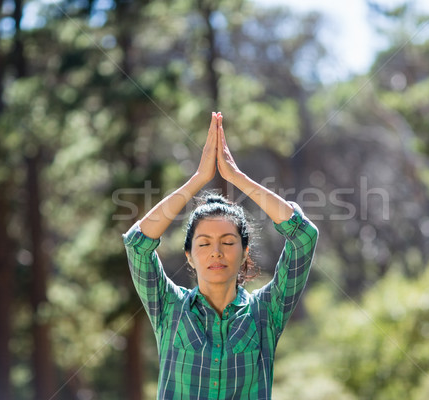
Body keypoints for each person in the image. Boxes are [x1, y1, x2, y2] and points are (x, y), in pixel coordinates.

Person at [123, 112, 319, 399]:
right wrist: (199, 178)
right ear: (189, 256)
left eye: (228, 242)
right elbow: (137, 245)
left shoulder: (265, 313)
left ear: (244, 253)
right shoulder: (169, 308)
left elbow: (304, 237)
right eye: (203, 244)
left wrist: (236, 178)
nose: (216, 251)